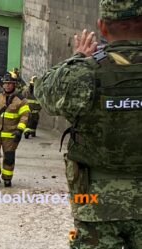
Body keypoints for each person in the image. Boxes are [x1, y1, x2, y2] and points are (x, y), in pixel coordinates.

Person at [35, 1, 142, 247]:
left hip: (93, 201)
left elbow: (44, 93)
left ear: (102, 27)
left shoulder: (85, 73)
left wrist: (79, 57)